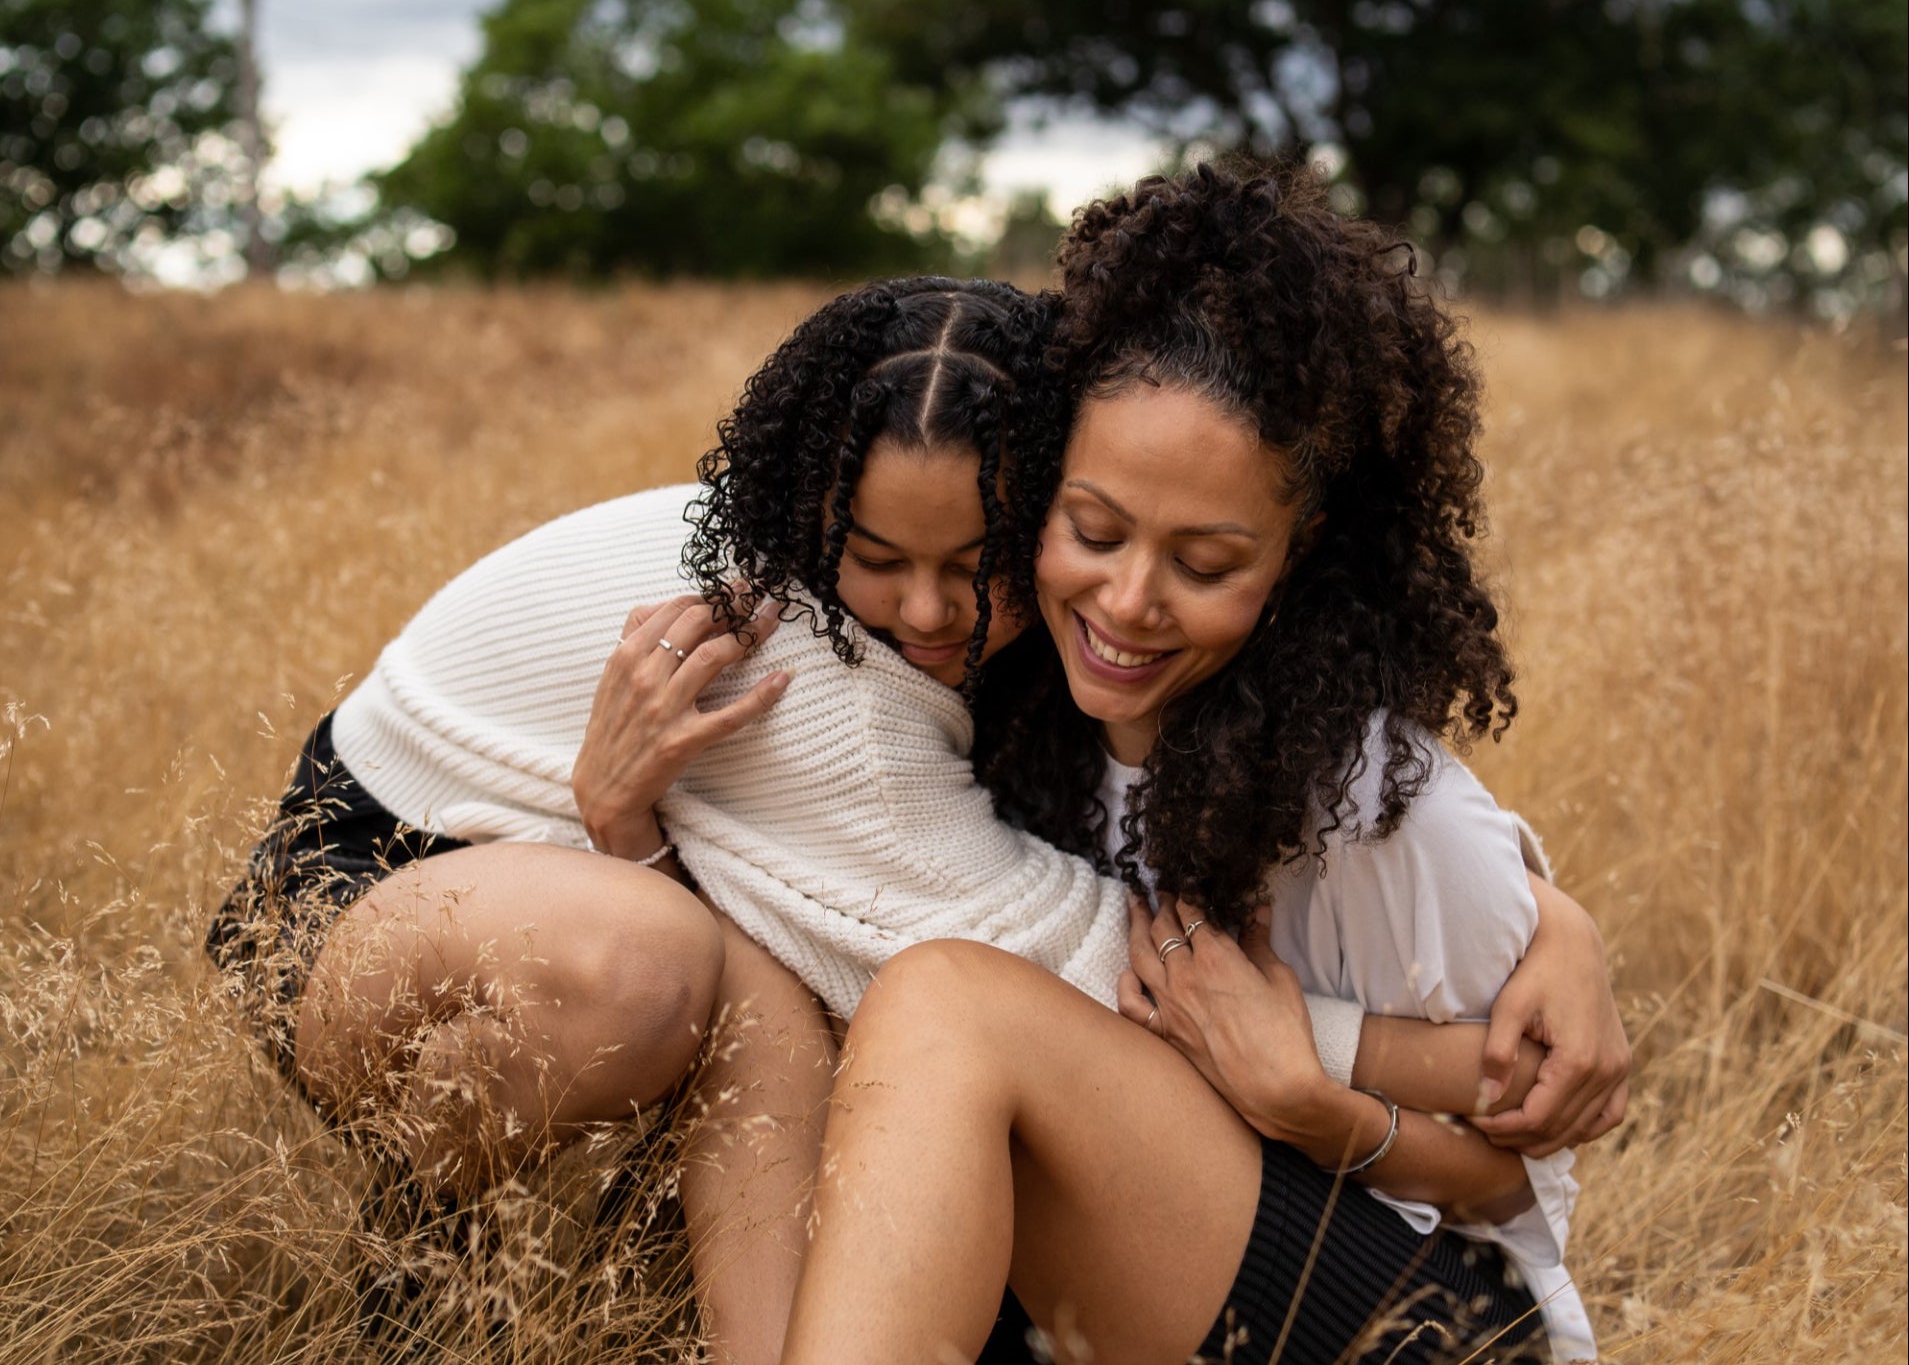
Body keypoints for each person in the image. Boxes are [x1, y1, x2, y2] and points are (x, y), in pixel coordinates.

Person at [206, 276, 1621, 1363]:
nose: (934, 613)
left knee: (776, 970)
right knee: (679, 959)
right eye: (877, 558)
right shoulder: (794, 644)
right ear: (801, 508)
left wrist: (1551, 913)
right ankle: (416, 1285)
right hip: (367, 896)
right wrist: (1408, 1056)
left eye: (980, 564)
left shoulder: (1100, 666)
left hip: (1419, 1279)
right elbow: (1078, 963)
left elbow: (1375, 859)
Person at [779, 166, 1610, 1363]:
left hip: (1431, 1325)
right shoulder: (998, 697)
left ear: (1295, 550)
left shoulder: (1371, 804)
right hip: (1140, 1280)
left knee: (950, 1001)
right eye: (1094, 531)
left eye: (1205, 563)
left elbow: (1520, 1177)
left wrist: (1315, 1109)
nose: (1126, 604)